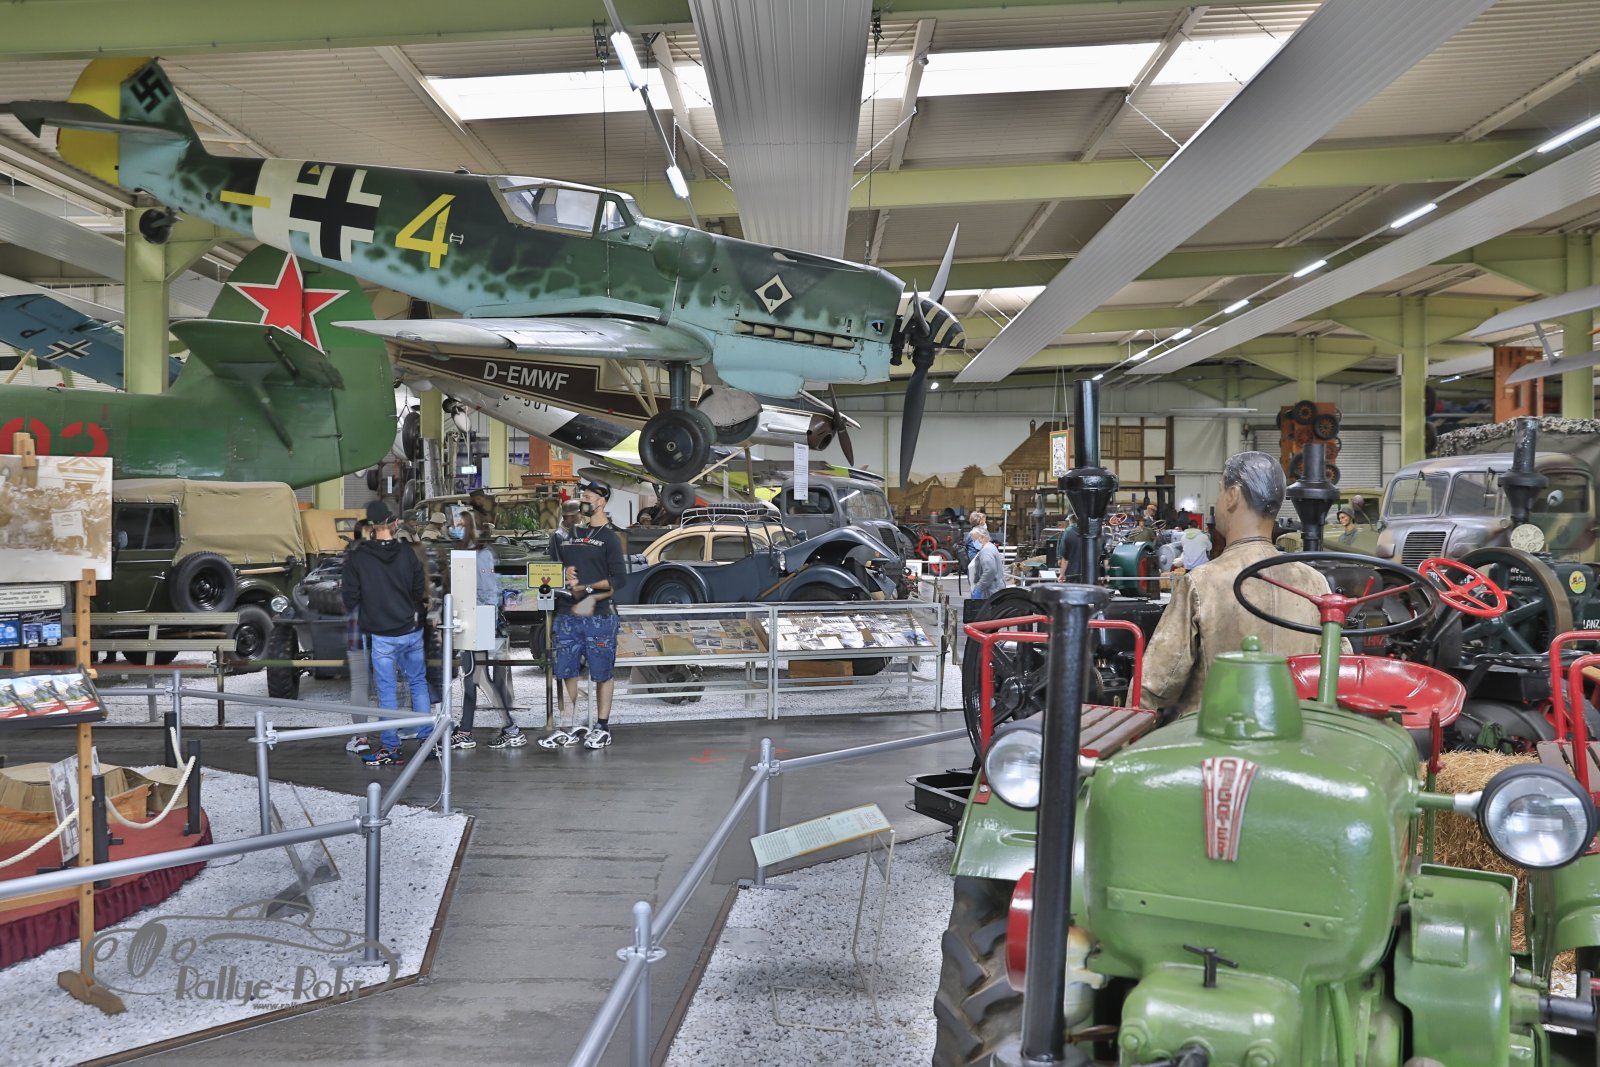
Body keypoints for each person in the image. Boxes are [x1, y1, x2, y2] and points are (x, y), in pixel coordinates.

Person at [1139, 452, 1338, 716]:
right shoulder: (1315, 582)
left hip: (1215, 734)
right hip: (1295, 729)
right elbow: (1339, 669)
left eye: (1220, 491)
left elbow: (1156, 685)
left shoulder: (1202, 583)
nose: (1219, 500)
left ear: (1232, 495)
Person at [343, 499, 434, 767]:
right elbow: (418, 590)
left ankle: (391, 748)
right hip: (411, 629)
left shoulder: (359, 557)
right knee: (418, 683)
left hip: (382, 633)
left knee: (387, 690)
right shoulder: (407, 553)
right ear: (394, 524)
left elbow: (349, 597)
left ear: (370, 526)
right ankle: (427, 741)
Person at [544, 479, 628, 750]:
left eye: (589, 497)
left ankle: (602, 726)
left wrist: (588, 587)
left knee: (602, 672)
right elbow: (553, 567)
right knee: (565, 670)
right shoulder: (568, 536)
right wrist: (563, 573)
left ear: (602, 502)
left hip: (599, 616)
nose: (584, 501)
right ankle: (567, 726)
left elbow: (619, 579)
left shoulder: (610, 538)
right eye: (583, 497)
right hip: (567, 614)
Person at [452, 512, 512, 750]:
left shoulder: (482, 554)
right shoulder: (462, 553)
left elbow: (490, 590)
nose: (454, 529)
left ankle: (511, 728)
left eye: (459, 525)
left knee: (478, 678)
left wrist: (488, 619)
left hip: (480, 619)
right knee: (470, 679)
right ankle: (465, 730)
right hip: (469, 619)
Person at [968, 527, 1005, 600]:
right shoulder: (990, 547)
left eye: (974, 540)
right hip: (994, 589)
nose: (973, 542)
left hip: (990, 592)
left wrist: (979, 587)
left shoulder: (986, 551)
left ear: (982, 537)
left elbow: (990, 570)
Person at [1056, 514, 1087, 584]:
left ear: (1070, 521)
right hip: (1088, 574)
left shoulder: (1068, 532)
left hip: (1071, 574)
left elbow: (1064, 557)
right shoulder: (1090, 531)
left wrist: (1062, 574)